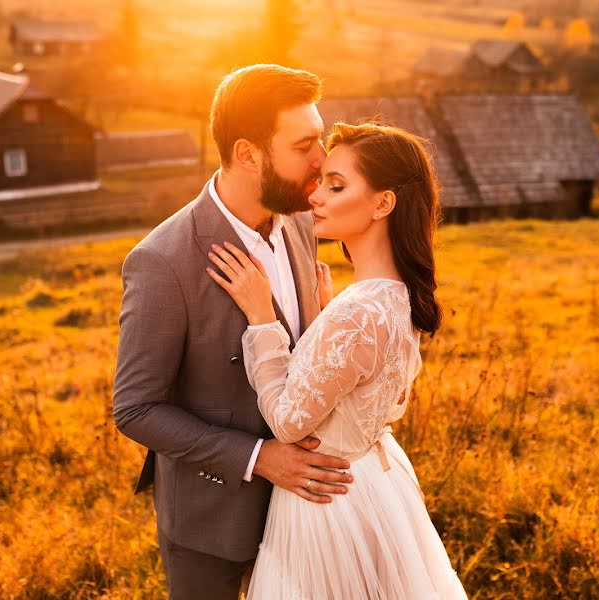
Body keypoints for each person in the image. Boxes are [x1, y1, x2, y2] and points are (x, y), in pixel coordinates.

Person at [112, 64, 355, 600]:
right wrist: (259, 458)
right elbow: (135, 409)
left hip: (307, 514)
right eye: (305, 145)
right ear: (248, 154)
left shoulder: (299, 220)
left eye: (322, 140)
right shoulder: (162, 261)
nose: (323, 160)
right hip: (213, 522)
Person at [205, 122, 469, 598]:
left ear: (383, 203)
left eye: (336, 185)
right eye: (321, 180)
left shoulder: (357, 313)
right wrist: (323, 321)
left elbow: (287, 423)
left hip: (325, 499)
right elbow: (358, 391)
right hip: (372, 485)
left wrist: (263, 318)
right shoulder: (397, 297)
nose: (316, 197)